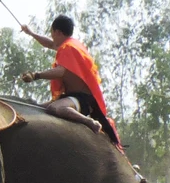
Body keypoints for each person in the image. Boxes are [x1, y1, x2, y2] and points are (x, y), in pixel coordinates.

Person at [19, 16, 120, 147]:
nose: (52, 37)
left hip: (83, 99)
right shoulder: (72, 45)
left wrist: (36, 75)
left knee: (55, 108)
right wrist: (31, 33)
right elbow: (49, 43)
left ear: (58, 32)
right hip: (71, 97)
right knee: (37, 108)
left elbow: (61, 71)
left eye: (52, 33)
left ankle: (89, 122)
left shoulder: (68, 48)